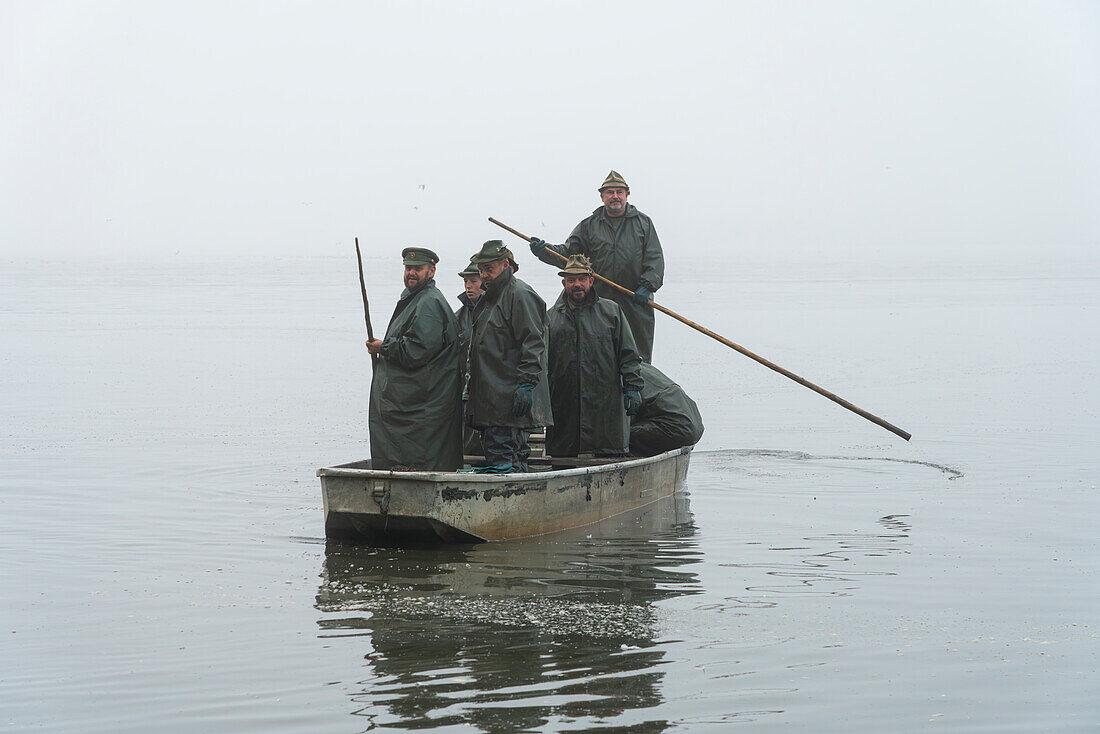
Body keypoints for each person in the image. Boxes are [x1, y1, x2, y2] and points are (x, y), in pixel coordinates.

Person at [529, 170, 665, 362]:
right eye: (610, 192)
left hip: (636, 303)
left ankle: (638, 391)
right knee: (601, 356)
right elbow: (569, 255)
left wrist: (647, 286)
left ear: (627, 194)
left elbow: (655, 258)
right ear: (602, 196)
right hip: (599, 303)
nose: (615, 196)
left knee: (637, 358)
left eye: (619, 192)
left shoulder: (643, 223)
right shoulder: (588, 226)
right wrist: (544, 251)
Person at [365, 247, 462, 471]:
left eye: (418, 269)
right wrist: (384, 347)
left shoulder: (428, 303)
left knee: (421, 456)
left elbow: (417, 350)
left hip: (424, 404)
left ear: (432, 271)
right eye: (409, 268)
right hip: (417, 401)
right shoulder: (415, 299)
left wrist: (384, 347)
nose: (412, 273)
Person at [465, 240, 552, 473]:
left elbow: (533, 343)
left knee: (506, 461)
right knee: (505, 460)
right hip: (492, 402)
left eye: (489, 269)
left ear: (506, 265)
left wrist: (526, 384)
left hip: (509, 403)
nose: (484, 275)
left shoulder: (519, 294)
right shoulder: (491, 297)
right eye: (481, 269)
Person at [545, 254, 644, 457]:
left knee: (608, 455)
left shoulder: (611, 312)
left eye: (581, 279)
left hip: (605, 408)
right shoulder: (550, 317)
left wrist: (633, 387)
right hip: (564, 408)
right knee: (562, 457)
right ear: (564, 283)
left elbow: (629, 354)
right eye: (571, 280)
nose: (577, 284)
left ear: (591, 281)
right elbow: (542, 363)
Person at [629, 362, 705, 456]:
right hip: (695, 424)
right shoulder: (641, 365)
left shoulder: (624, 374)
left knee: (617, 439)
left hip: (676, 427)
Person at [454, 260, 484, 457]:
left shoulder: (497, 310)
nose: (468, 286)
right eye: (466, 281)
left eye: (473, 280)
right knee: (466, 442)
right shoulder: (457, 318)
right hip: (463, 393)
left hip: (490, 393)